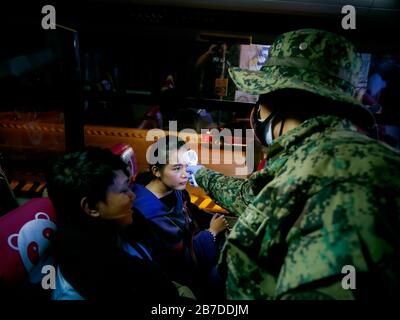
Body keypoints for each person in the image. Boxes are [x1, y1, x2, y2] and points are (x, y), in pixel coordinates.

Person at [186, 28, 400, 299]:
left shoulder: (343, 184)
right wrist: (201, 175)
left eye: (260, 99)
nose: (256, 113)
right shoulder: (308, 157)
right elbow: (252, 196)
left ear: (280, 100)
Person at [46, 147, 180, 300]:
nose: (133, 196)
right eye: (123, 190)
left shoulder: (118, 226)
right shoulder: (90, 284)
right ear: (91, 207)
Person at [131, 135, 228, 299]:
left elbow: (189, 210)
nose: (185, 174)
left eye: (187, 166)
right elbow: (180, 260)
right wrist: (212, 232)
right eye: (177, 168)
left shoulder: (173, 188)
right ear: (156, 171)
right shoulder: (150, 215)